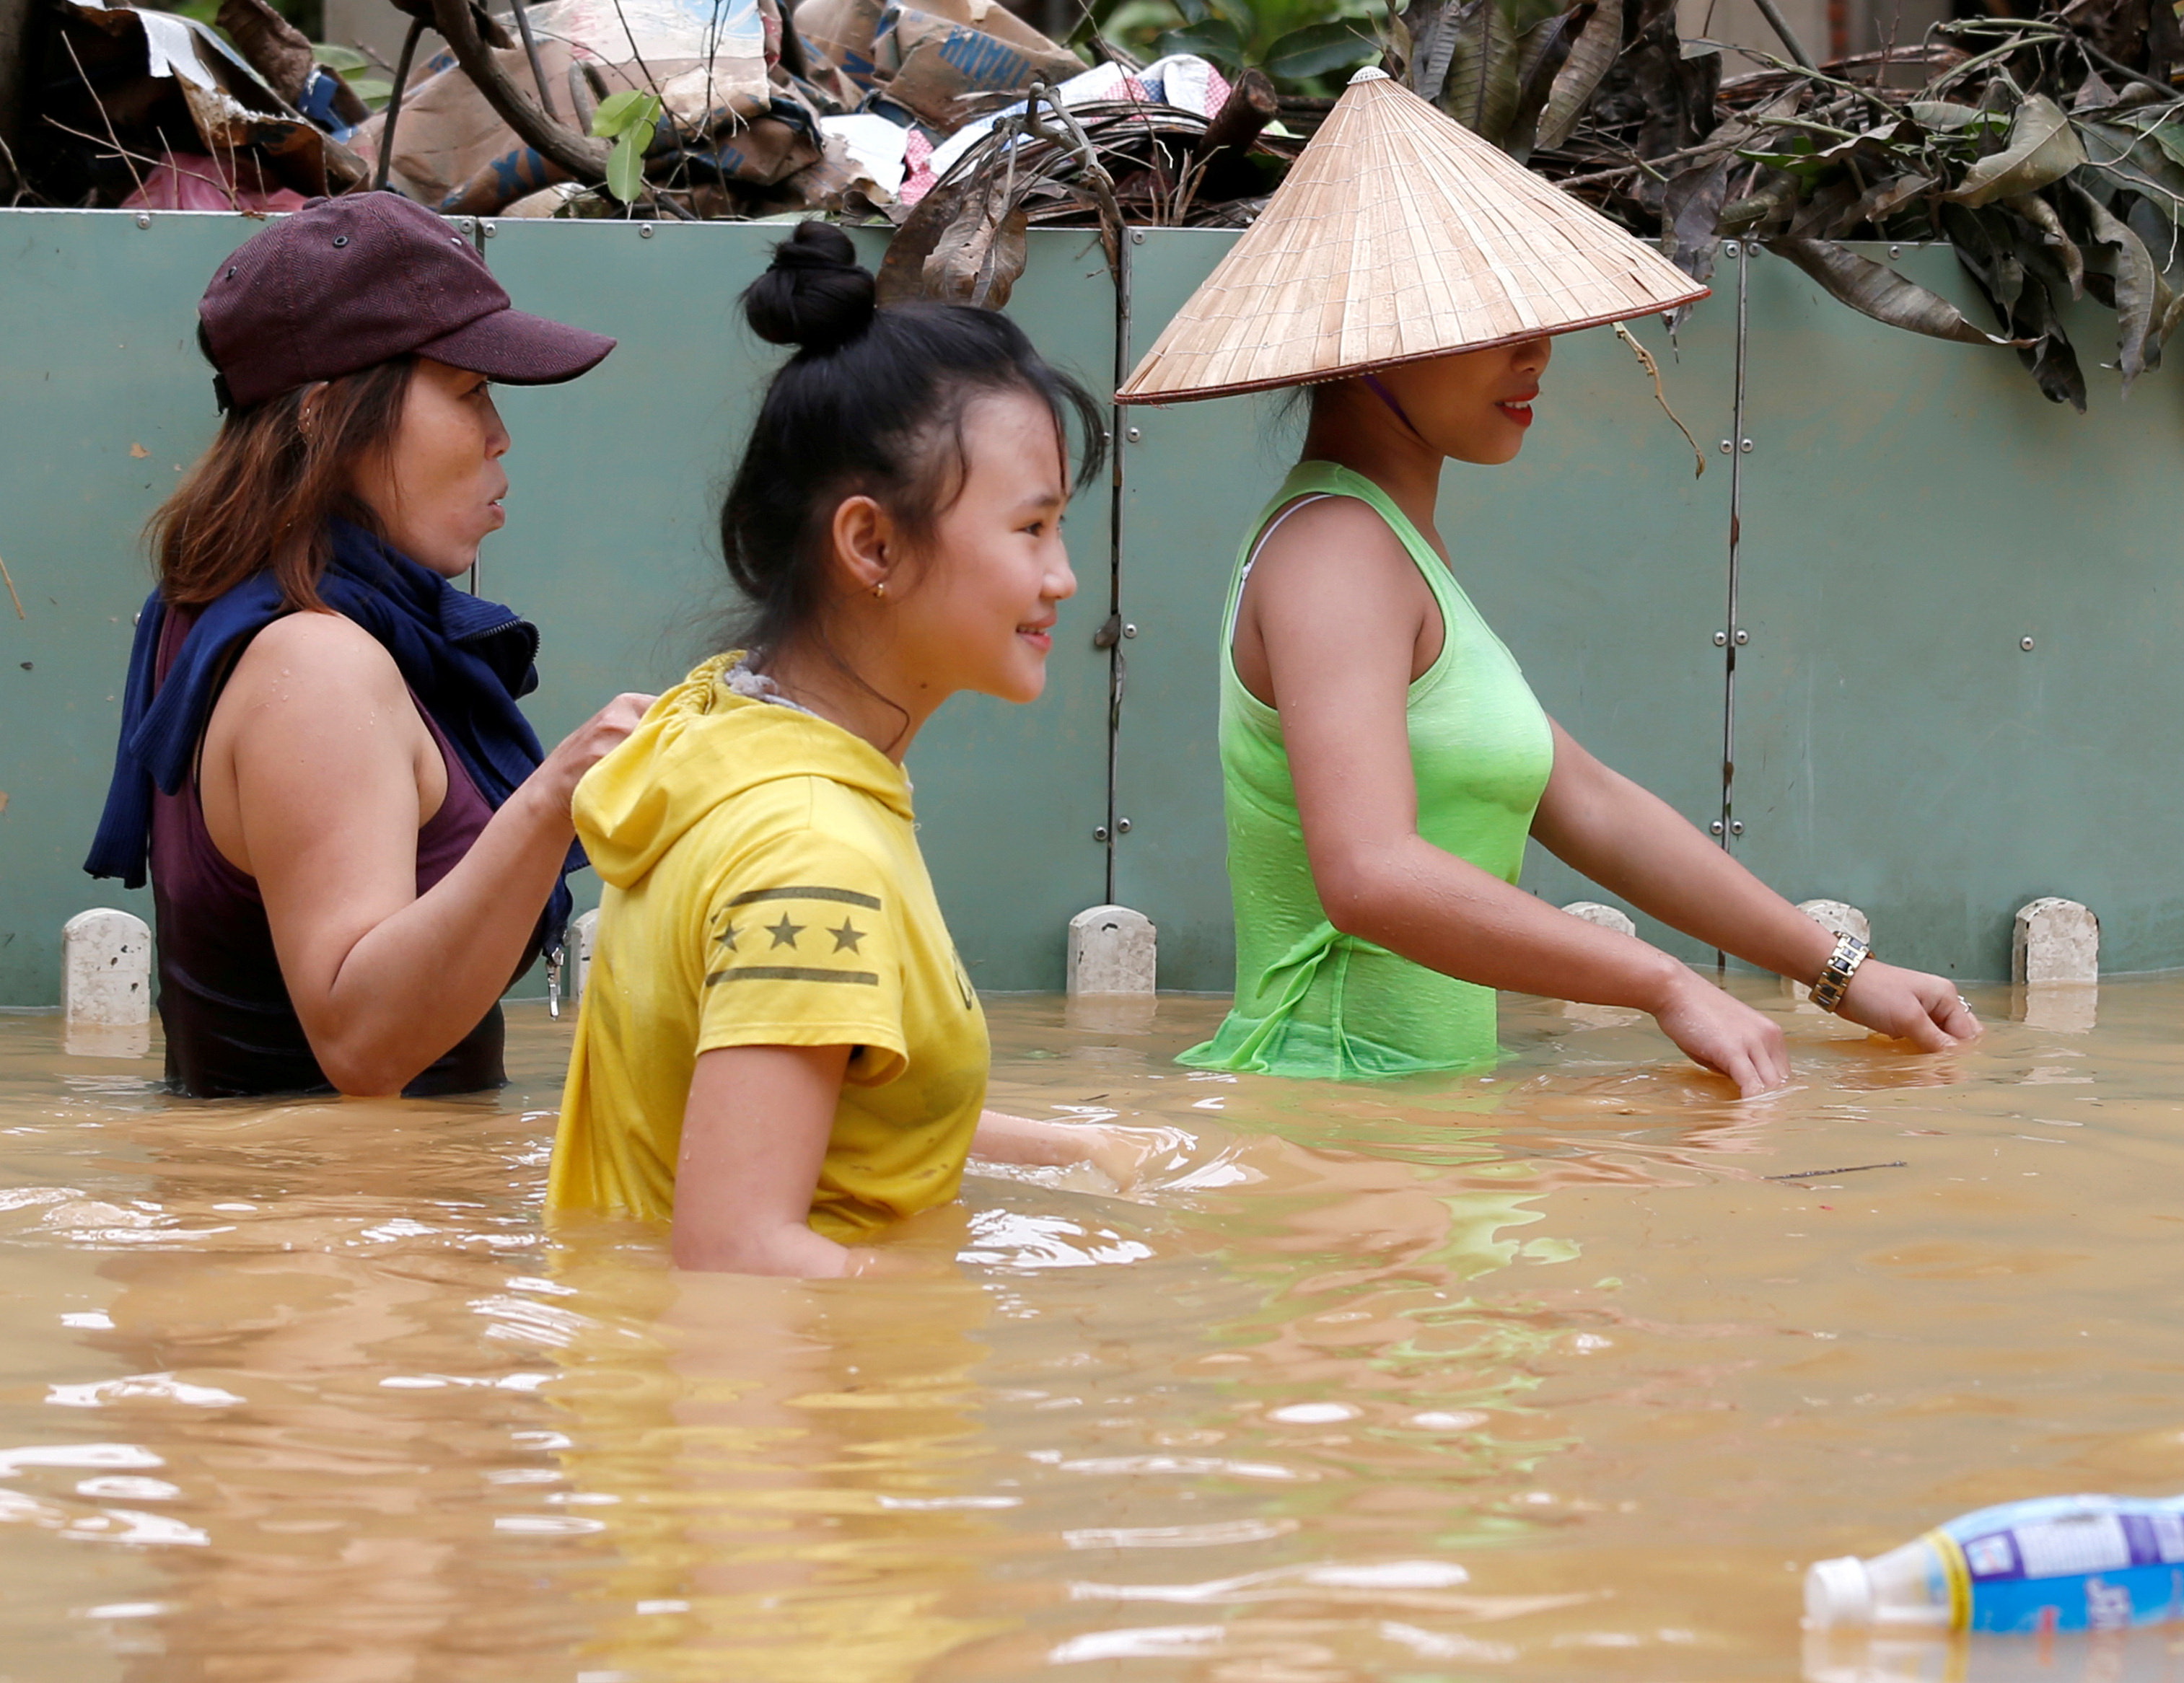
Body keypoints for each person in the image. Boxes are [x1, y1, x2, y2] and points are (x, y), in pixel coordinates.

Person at [1115, 69, 1981, 1092]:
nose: (1539, 351)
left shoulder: (1389, 544)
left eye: (1536, 314)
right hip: (1336, 1136)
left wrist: (1842, 972)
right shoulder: (1336, 551)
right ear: (1372, 346)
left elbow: (1594, 805)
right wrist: (1663, 984)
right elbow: (1371, 874)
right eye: (1491, 319)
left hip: (1409, 1138)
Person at [550, 225, 1157, 1278]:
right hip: (793, 1430)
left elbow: (822, 1122)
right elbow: (741, 1252)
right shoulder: (812, 852)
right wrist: (1012, 1310)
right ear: (872, 544)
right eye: (1032, 529)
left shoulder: (716, 729)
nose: (1062, 577)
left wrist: (1090, 1153)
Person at [87, 193, 652, 1099]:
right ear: (324, 416)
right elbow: (361, 1043)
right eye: (470, 392)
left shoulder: (219, 615)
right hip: (347, 1230)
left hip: (285, 1221)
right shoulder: (315, 665)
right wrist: (555, 799)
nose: (500, 434)